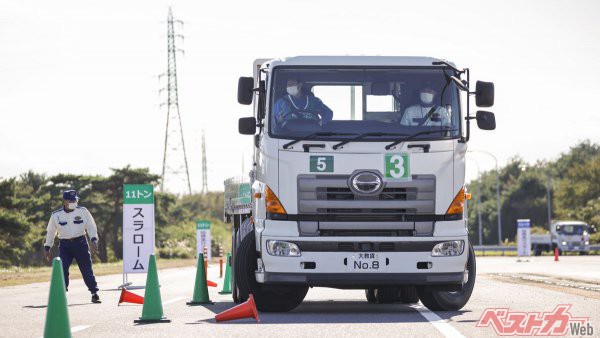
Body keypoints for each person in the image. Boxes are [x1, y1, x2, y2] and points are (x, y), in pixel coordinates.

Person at [44, 190, 101, 303]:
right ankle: (62, 294)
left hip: (80, 243)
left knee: (86, 269)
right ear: (65, 201)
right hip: (65, 245)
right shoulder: (56, 215)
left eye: (75, 200)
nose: (74, 202)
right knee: (62, 269)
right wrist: (47, 247)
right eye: (71, 200)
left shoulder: (83, 211)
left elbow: (91, 226)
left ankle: (94, 293)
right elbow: (51, 232)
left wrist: (94, 239)